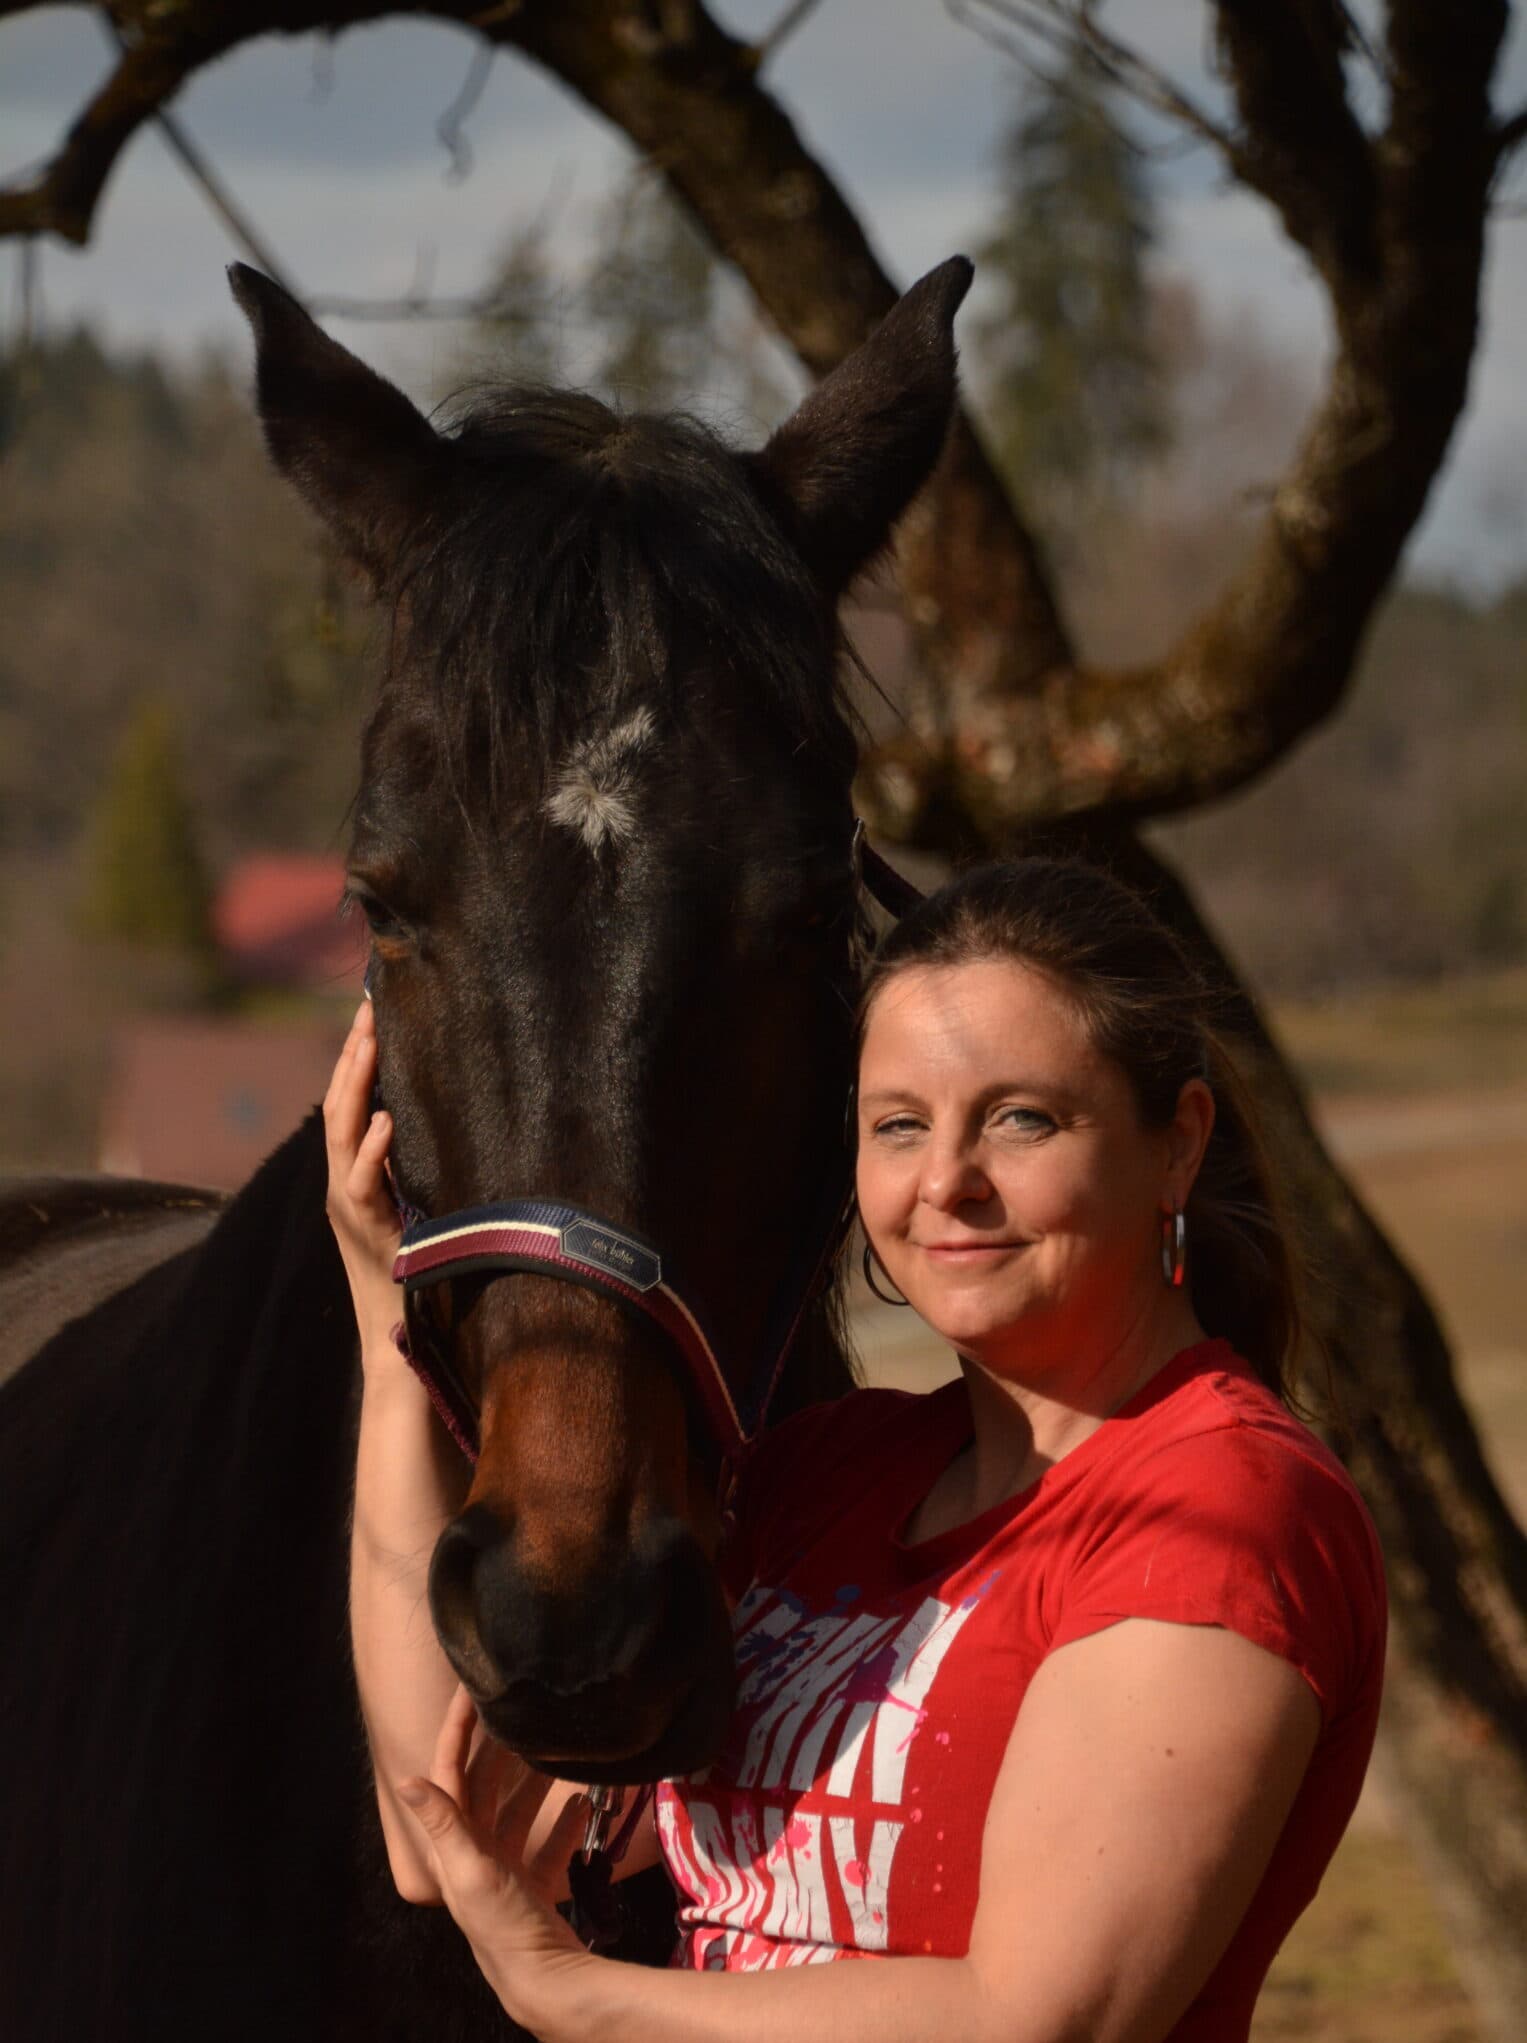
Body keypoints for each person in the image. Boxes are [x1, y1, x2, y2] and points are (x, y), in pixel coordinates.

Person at [331, 856, 1386, 2043]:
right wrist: (389, 1340)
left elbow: (1037, 2020)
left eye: (1020, 1119)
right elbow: (461, 1820)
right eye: (899, 1127)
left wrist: (582, 2000)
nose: (945, 1182)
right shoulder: (826, 1476)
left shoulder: (1219, 1510)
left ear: (1178, 1143)